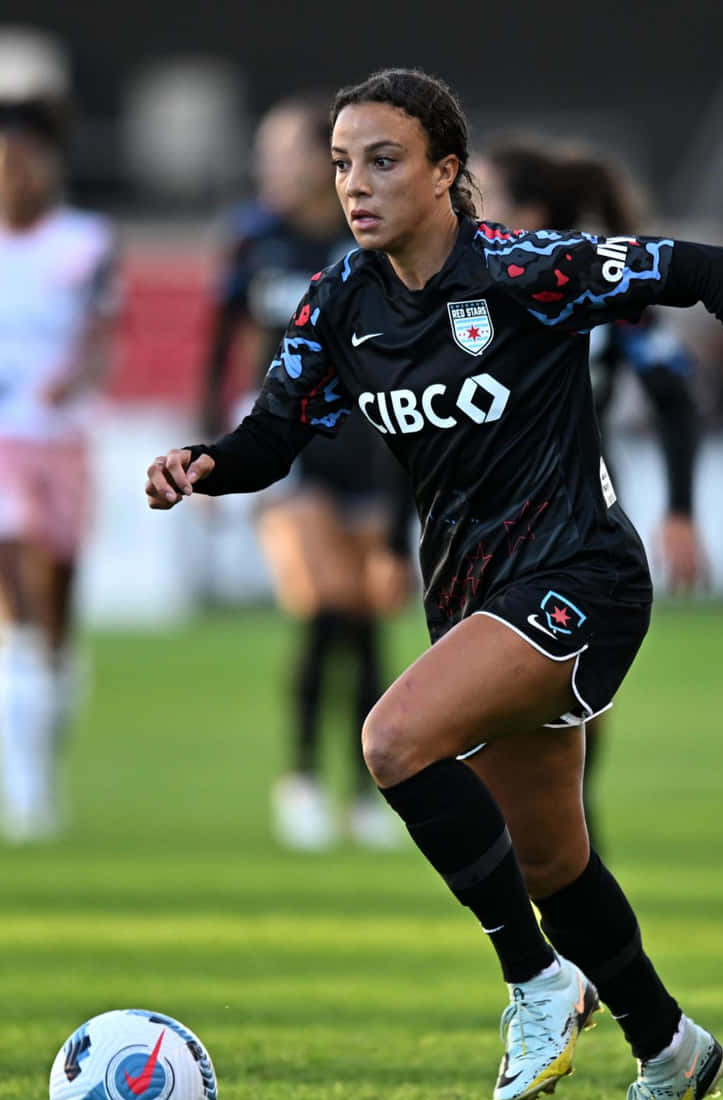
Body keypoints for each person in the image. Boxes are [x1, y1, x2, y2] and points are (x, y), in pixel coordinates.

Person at [146, 68, 723, 1100]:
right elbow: (273, 433)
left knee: (391, 739)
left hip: (581, 579)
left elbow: (710, 271)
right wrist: (205, 464)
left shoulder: (530, 273)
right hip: (473, 599)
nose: (355, 183)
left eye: (384, 160)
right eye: (342, 162)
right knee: (554, 865)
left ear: (449, 172)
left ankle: (535, 980)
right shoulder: (341, 299)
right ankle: (672, 1044)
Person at [471, 137, 708, 843]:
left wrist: (682, 511)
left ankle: (562, 845)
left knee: (562, 696)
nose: (463, 207)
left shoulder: (597, 286)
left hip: (576, 514)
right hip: (485, 519)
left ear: (529, 210)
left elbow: (673, 393)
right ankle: (554, 846)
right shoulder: (462, 281)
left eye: (482, 192)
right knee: (496, 701)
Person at [201, 97, 410, 851]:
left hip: (375, 451)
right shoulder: (255, 240)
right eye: (268, 154)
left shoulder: (371, 244)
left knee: (367, 623)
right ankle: (299, 781)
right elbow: (219, 347)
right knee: (326, 608)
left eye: (286, 153)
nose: (274, 169)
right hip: (293, 460)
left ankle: (364, 792)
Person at [0, 96, 117, 843]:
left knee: (59, 618)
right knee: (15, 613)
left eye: (22, 158)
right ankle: (24, 797)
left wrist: (76, 382)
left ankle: (40, 758)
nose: (9, 174)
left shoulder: (85, 242)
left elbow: (104, 334)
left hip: (63, 442)